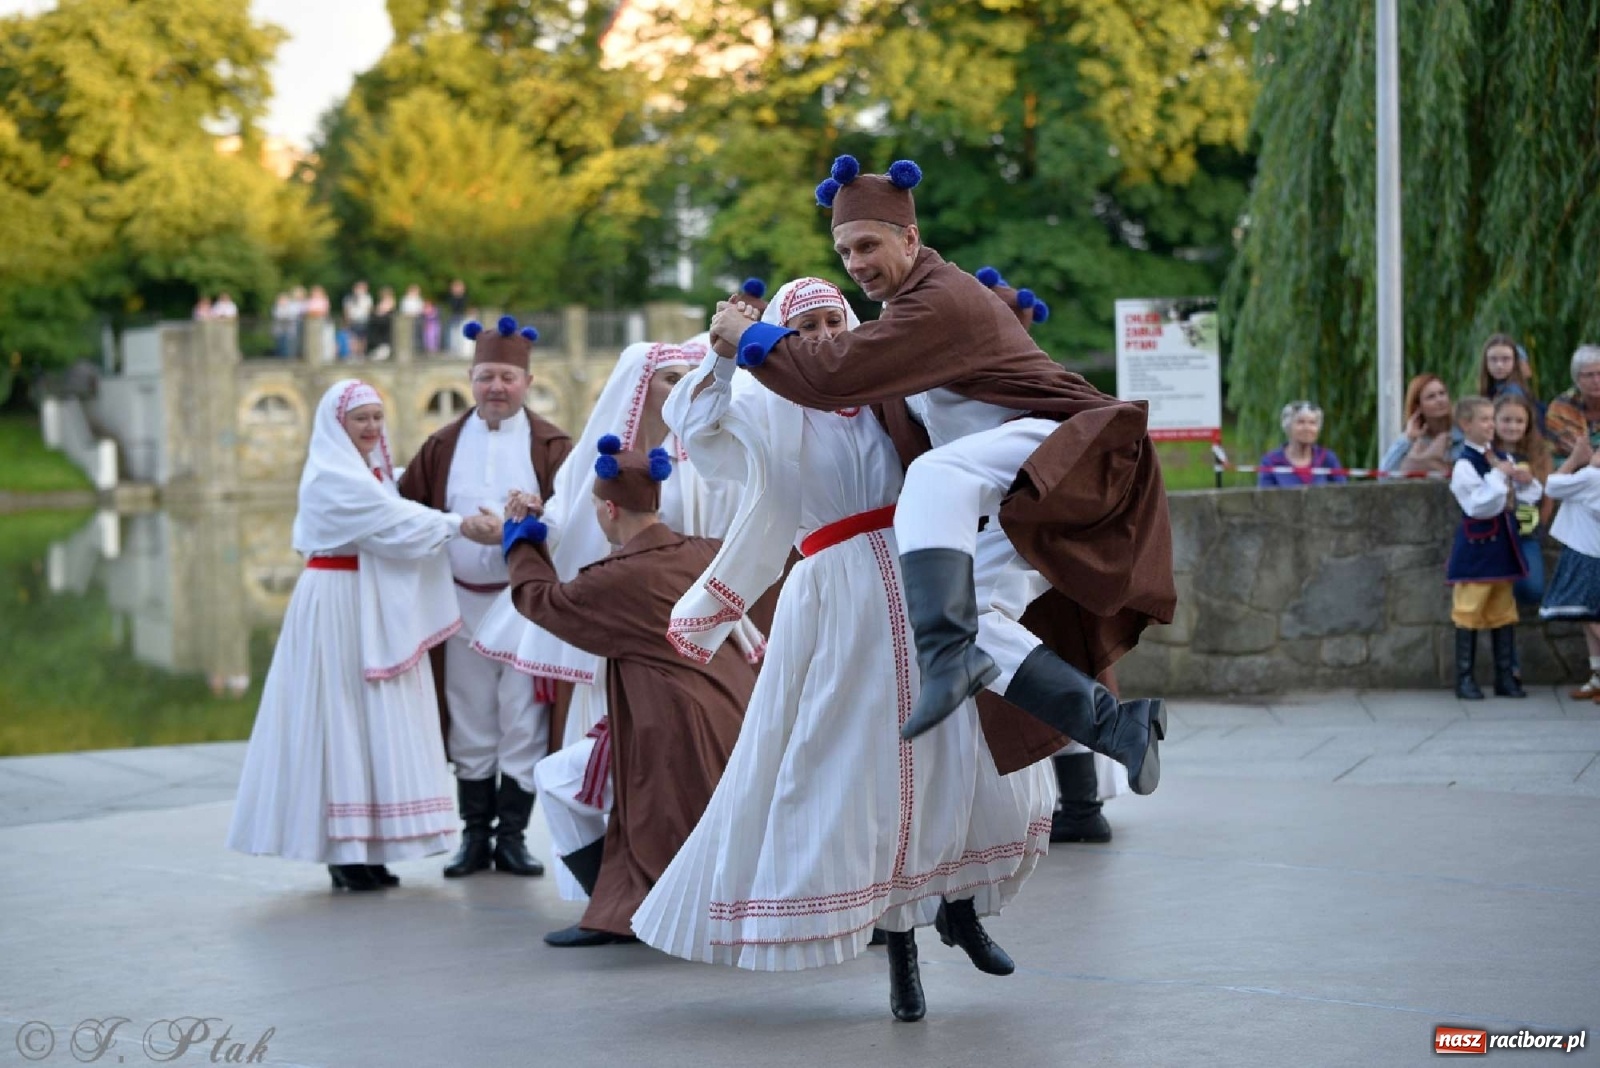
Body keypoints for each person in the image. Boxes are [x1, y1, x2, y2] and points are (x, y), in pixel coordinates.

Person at [637, 276, 1055, 1023]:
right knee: (865, 768)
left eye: (837, 317)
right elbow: (695, 427)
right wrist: (727, 348)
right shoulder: (769, 408)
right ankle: (901, 959)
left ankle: (961, 909)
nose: (827, 332)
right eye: (811, 324)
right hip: (839, 596)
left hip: (925, 572)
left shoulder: (903, 390)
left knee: (959, 752)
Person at [708, 155, 1173, 793]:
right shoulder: (908, 311)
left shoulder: (938, 298)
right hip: (1017, 496)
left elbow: (836, 372)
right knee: (977, 619)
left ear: (911, 238)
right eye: (844, 252)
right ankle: (1116, 726)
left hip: (1066, 455)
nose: (857, 264)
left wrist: (753, 335)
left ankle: (943, 655)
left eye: (868, 244)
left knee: (935, 476)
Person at [465, 337, 751, 899]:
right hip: (610, 635)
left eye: (687, 381)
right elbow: (570, 527)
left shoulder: (705, 462)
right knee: (615, 772)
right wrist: (531, 525)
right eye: (670, 380)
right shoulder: (594, 463)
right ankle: (616, 890)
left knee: (655, 771)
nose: (681, 391)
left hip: (683, 646)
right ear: (641, 389)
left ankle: (652, 892)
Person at [227, 379, 504, 890]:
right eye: (361, 419)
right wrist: (460, 525)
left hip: (366, 600)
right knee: (342, 719)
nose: (372, 427)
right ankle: (344, 850)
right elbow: (395, 522)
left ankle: (371, 847)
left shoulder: (371, 477)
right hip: (337, 603)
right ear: (337, 425)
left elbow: (403, 497)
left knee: (373, 719)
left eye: (378, 417)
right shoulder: (332, 478)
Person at [500, 442, 754, 947]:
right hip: (738, 709)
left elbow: (543, 600)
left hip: (675, 726)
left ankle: (615, 912)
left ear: (609, 508)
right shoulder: (710, 552)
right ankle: (614, 907)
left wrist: (520, 541)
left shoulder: (618, 579)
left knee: (556, 779)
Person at [396, 317, 574, 879]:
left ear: (526, 381)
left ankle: (514, 839)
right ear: (470, 379)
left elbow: (581, 520)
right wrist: (454, 528)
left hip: (523, 607)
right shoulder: (440, 445)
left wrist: (541, 516)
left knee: (523, 719)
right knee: (471, 717)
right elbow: (406, 514)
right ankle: (474, 837)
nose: (496, 387)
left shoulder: (552, 446)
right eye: (485, 377)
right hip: (460, 604)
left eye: (507, 377)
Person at [1446, 396, 1534, 700]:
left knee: (1503, 610)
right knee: (1468, 610)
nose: (1490, 425)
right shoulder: (1464, 464)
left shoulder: (1498, 456)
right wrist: (1500, 475)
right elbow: (1480, 505)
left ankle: (1504, 676)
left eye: (1491, 418)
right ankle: (1465, 678)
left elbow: (1524, 496)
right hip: (1477, 546)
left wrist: (1522, 480)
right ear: (1465, 425)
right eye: (1483, 419)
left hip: (1501, 545)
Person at [1540, 431, 1600, 699]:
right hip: (1591, 553)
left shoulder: (1590, 478)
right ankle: (1597, 675)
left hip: (1584, 555)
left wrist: (1575, 459)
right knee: (1589, 616)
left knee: (1590, 617)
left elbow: (1552, 485)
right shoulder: (1590, 478)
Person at [1379, 374, 1462, 475]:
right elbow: (1384, 475)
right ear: (1418, 406)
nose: (1440, 400)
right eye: (1431, 397)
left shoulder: (1463, 431)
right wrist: (1408, 439)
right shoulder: (1413, 439)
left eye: (1442, 393)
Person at [1256, 401, 1347, 488]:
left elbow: (1342, 492)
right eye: (1300, 422)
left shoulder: (1327, 458)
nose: (1307, 428)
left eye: (1312, 423)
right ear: (1288, 426)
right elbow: (1265, 498)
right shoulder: (1271, 461)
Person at [1544, 345, 1600, 460]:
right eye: (1589, 375)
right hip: (1570, 472)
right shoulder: (1561, 407)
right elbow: (1558, 447)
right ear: (1577, 379)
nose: (1596, 381)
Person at [344, 281, 372, 358]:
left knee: (362, 338)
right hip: (353, 321)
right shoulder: (349, 298)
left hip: (363, 321)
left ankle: (361, 354)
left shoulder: (367, 298)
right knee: (353, 338)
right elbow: (346, 311)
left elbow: (368, 310)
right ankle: (353, 354)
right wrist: (347, 321)